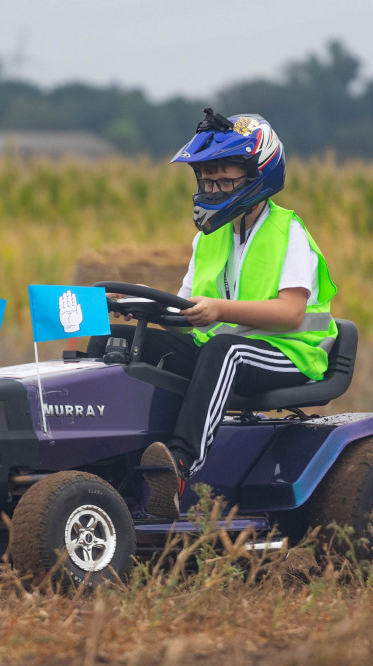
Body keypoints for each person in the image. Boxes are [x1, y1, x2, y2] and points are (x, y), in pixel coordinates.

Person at [86, 108, 337, 520]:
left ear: (258, 174)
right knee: (116, 338)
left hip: (290, 352)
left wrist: (220, 309)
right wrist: (135, 308)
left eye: (224, 179)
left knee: (225, 349)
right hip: (219, 347)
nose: (214, 188)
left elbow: (292, 313)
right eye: (208, 180)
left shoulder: (288, 232)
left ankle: (179, 467)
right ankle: (103, 457)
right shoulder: (210, 239)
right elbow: (183, 307)